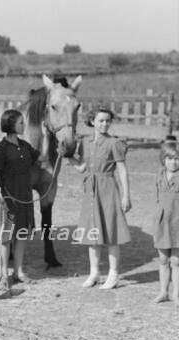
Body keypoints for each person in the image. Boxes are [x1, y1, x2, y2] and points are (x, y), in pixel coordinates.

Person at [70, 107, 131, 289]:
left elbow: (121, 169)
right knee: (92, 232)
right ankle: (94, 272)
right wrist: (67, 156)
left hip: (108, 188)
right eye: (101, 120)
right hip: (90, 190)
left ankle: (113, 274)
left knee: (111, 233)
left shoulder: (114, 143)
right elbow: (82, 168)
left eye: (107, 121)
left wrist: (126, 195)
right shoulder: (85, 142)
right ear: (92, 122)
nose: (104, 124)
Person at [0, 109, 41, 291]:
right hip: (9, 199)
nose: (23, 125)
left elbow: (39, 157)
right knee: (6, 238)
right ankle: (3, 275)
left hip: (25, 198)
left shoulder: (25, 146)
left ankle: (18, 272)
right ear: (10, 125)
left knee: (22, 235)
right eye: (20, 123)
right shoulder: (1, 149)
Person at [152, 140, 179, 305]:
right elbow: (157, 198)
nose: (173, 162)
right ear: (163, 159)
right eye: (169, 158)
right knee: (163, 260)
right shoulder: (159, 175)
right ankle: (163, 292)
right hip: (162, 222)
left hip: (178, 223)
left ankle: (176, 294)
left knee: (176, 261)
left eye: (177, 159)